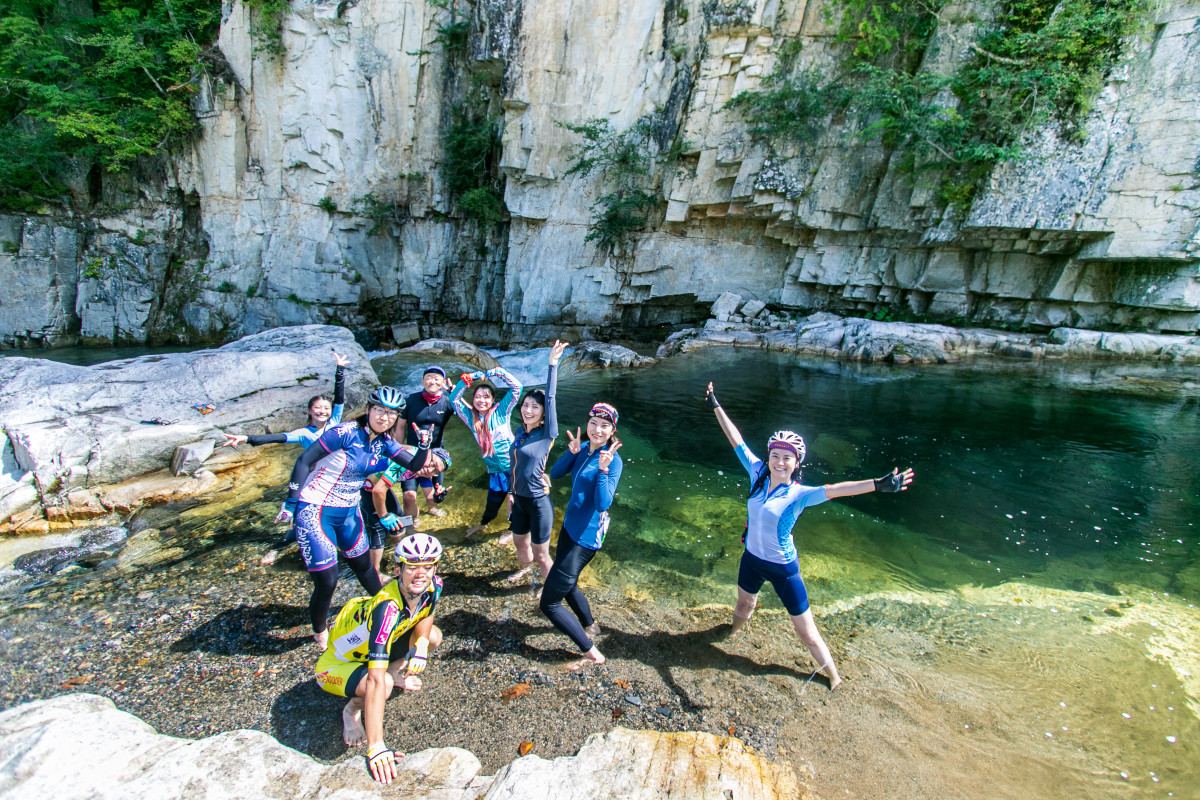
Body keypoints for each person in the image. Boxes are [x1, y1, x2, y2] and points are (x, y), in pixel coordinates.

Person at [705, 381, 914, 690]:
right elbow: (735, 439)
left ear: (796, 462)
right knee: (743, 606)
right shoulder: (757, 473)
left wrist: (878, 484)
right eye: (775, 455)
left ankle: (834, 676)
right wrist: (714, 404)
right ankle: (732, 635)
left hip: (783, 569)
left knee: (806, 632)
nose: (779, 462)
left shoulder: (801, 494)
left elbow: (837, 490)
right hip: (751, 559)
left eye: (786, 458)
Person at [279, 386, 431, 647]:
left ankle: (390, 608)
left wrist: (424, 445)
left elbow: (415, 465)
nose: (385, 418)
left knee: (365, 568)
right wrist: (290, 502)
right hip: (315, 509)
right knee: (328, 580)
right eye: (380, 411)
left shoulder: (385, 442)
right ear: (368, 410)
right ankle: (319, 631)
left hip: (349, 512)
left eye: (392, 414)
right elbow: (304, 461)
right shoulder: (344, 432)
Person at [313, 534, 444, 785]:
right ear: (397, 569)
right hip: (337, 665)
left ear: (435, 568)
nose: (421, 574)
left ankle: (395, 673)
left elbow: (427, 612)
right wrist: (377, 747)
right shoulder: (387, 608)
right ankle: (351, 710)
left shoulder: (433, 585)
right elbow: (374, 681)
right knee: (381, 684)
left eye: (427, 567)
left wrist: (422, 644)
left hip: (370, 648)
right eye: (412, 568)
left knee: (433, 637)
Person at [220, 350, 351, 565]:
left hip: (338, 477)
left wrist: (340, 370)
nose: (322, 411)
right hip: (315, 479)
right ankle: (278, 548)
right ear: (310, 411)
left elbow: (339, 397)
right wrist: (246, 438)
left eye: (325, 408)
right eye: (317, 408)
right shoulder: (304, 433)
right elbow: (278, 438)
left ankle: (342, 546)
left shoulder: (335, 421)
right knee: (300, 519)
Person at [541, 402, 623, 669]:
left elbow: (602, 503)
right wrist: (571, 452)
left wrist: (603, 469)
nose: (597, 430)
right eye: (593, 424)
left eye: (604, 426)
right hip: (569, 528)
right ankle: (590, 626)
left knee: (549, 604)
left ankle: (591, 652)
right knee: (571, 584)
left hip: (586, 538)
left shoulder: (613, 459)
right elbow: (555, 473)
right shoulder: (584, 448)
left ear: (612, 431)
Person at [506, 341, 567, 588]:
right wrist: (511, 492)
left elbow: (551, 397)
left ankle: (549, 591)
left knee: (542, 554)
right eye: (525, 405)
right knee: (519, 542)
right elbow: (514, 466)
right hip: (519, 500)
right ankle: (525, 570)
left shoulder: (547, 434)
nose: (528, 410)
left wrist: (552, 364)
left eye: (535, 406)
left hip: (539, 503)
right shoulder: (520, 432)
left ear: (543, 413)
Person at [449, 366, 523, 539]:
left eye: (486, 397)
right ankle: (483, 524)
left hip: (514, 467)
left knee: (516, 501)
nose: (481, 400)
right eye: (477, 397)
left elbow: (517, 388)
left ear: (493, 400)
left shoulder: (502, 411)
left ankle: (513, 530)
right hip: (495, 471)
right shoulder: (469, 417)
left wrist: (498, 372)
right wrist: (469, 378)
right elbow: (454, 398)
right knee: (493, 501)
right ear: (473, 399)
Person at [362, 447, 452, 578]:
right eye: (432, 464)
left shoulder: (424, 470)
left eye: (436, 471)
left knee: (400, 524)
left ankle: (395, 552)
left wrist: (438, 498)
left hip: (374, 486)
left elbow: (430, 499)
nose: (430, 470)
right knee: (377, 526)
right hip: (361, 485)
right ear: (427, 454)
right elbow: (378, 491)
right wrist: (384, 516)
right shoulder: (405, 460)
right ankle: (374, 574)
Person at [395, 366, 456, 534]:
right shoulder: (410, 399)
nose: (432, 381)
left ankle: (431, 508)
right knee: (408, 496)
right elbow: (400, 427)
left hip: (435, 456)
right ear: (422, 381)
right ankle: (411, 523)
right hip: (411, 455)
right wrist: (396, 451)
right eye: (429, 377)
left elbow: (468, 415)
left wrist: (455, 394)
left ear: (443, 383)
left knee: (436, 497)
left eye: (437, 379)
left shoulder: (448, 402)